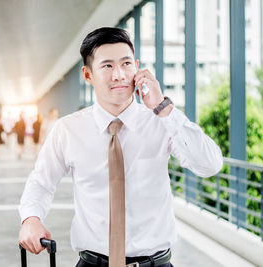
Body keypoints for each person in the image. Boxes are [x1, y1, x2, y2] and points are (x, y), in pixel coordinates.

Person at [18, 27, 223, 267]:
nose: (119, 75)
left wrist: (164, 108)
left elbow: (210, 165)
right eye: (107, 66)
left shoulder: (162, 121)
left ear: (137, 66)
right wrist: (31, 219)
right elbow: (41, 182)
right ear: (87, 75)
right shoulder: (68, 130)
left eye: (126, 64)